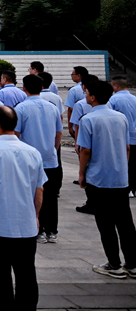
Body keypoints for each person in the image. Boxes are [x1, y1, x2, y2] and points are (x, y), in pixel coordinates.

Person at [0, 105, 46, 311]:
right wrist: (35, 214)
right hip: (26, 225)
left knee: (0, 271)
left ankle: (5, 308)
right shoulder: (33, 152)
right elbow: (39, 189)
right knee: (26, 272)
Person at [77, 80, 136, 278]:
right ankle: (132, 263)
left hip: (98, 178)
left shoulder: (88, 119)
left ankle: (114, 264)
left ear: (93, 97)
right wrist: (123, 167)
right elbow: (127, 147)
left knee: (105, 223)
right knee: (125, 222)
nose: (86, 95)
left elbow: (85, 150)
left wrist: (82, 173)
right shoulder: (121, 118)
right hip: (120, 178)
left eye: (87, 93)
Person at [15, 74, 62, 244]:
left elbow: (16, 134)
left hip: (28, 160)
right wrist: (53, 149)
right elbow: (58, 133)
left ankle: (38, 229)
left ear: (24, 88)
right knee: (50, 196)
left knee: (31, 195)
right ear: (42, 88)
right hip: (50, 159)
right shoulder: (52, 108)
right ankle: (52, 231)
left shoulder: (21, 108)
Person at [106, 76, 136, 196]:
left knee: (124, 164)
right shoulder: (134, 98)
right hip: (134, 136)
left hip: (121, 137)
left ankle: (127, 188)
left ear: (116, 86)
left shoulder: (113, 100)